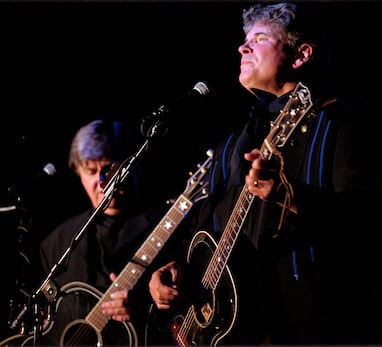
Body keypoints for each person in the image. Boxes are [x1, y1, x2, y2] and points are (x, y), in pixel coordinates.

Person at [147, 2, 382, 346]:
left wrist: (288, 196)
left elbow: (366, 219)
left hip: (316, 325)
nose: (242, 47)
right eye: (245, 39)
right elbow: (210, 229)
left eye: (258, 38)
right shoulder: (235, 142)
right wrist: (178, 268)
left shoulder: (341, 123)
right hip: (243, 330)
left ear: (301, 55)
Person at [34, 119, 189, 346]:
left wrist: (145, 304)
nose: (101, 181)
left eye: (109, 169)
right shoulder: (56, 243)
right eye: (90, 170)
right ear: (78, 172)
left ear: (132, 164)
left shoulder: (170, 221)